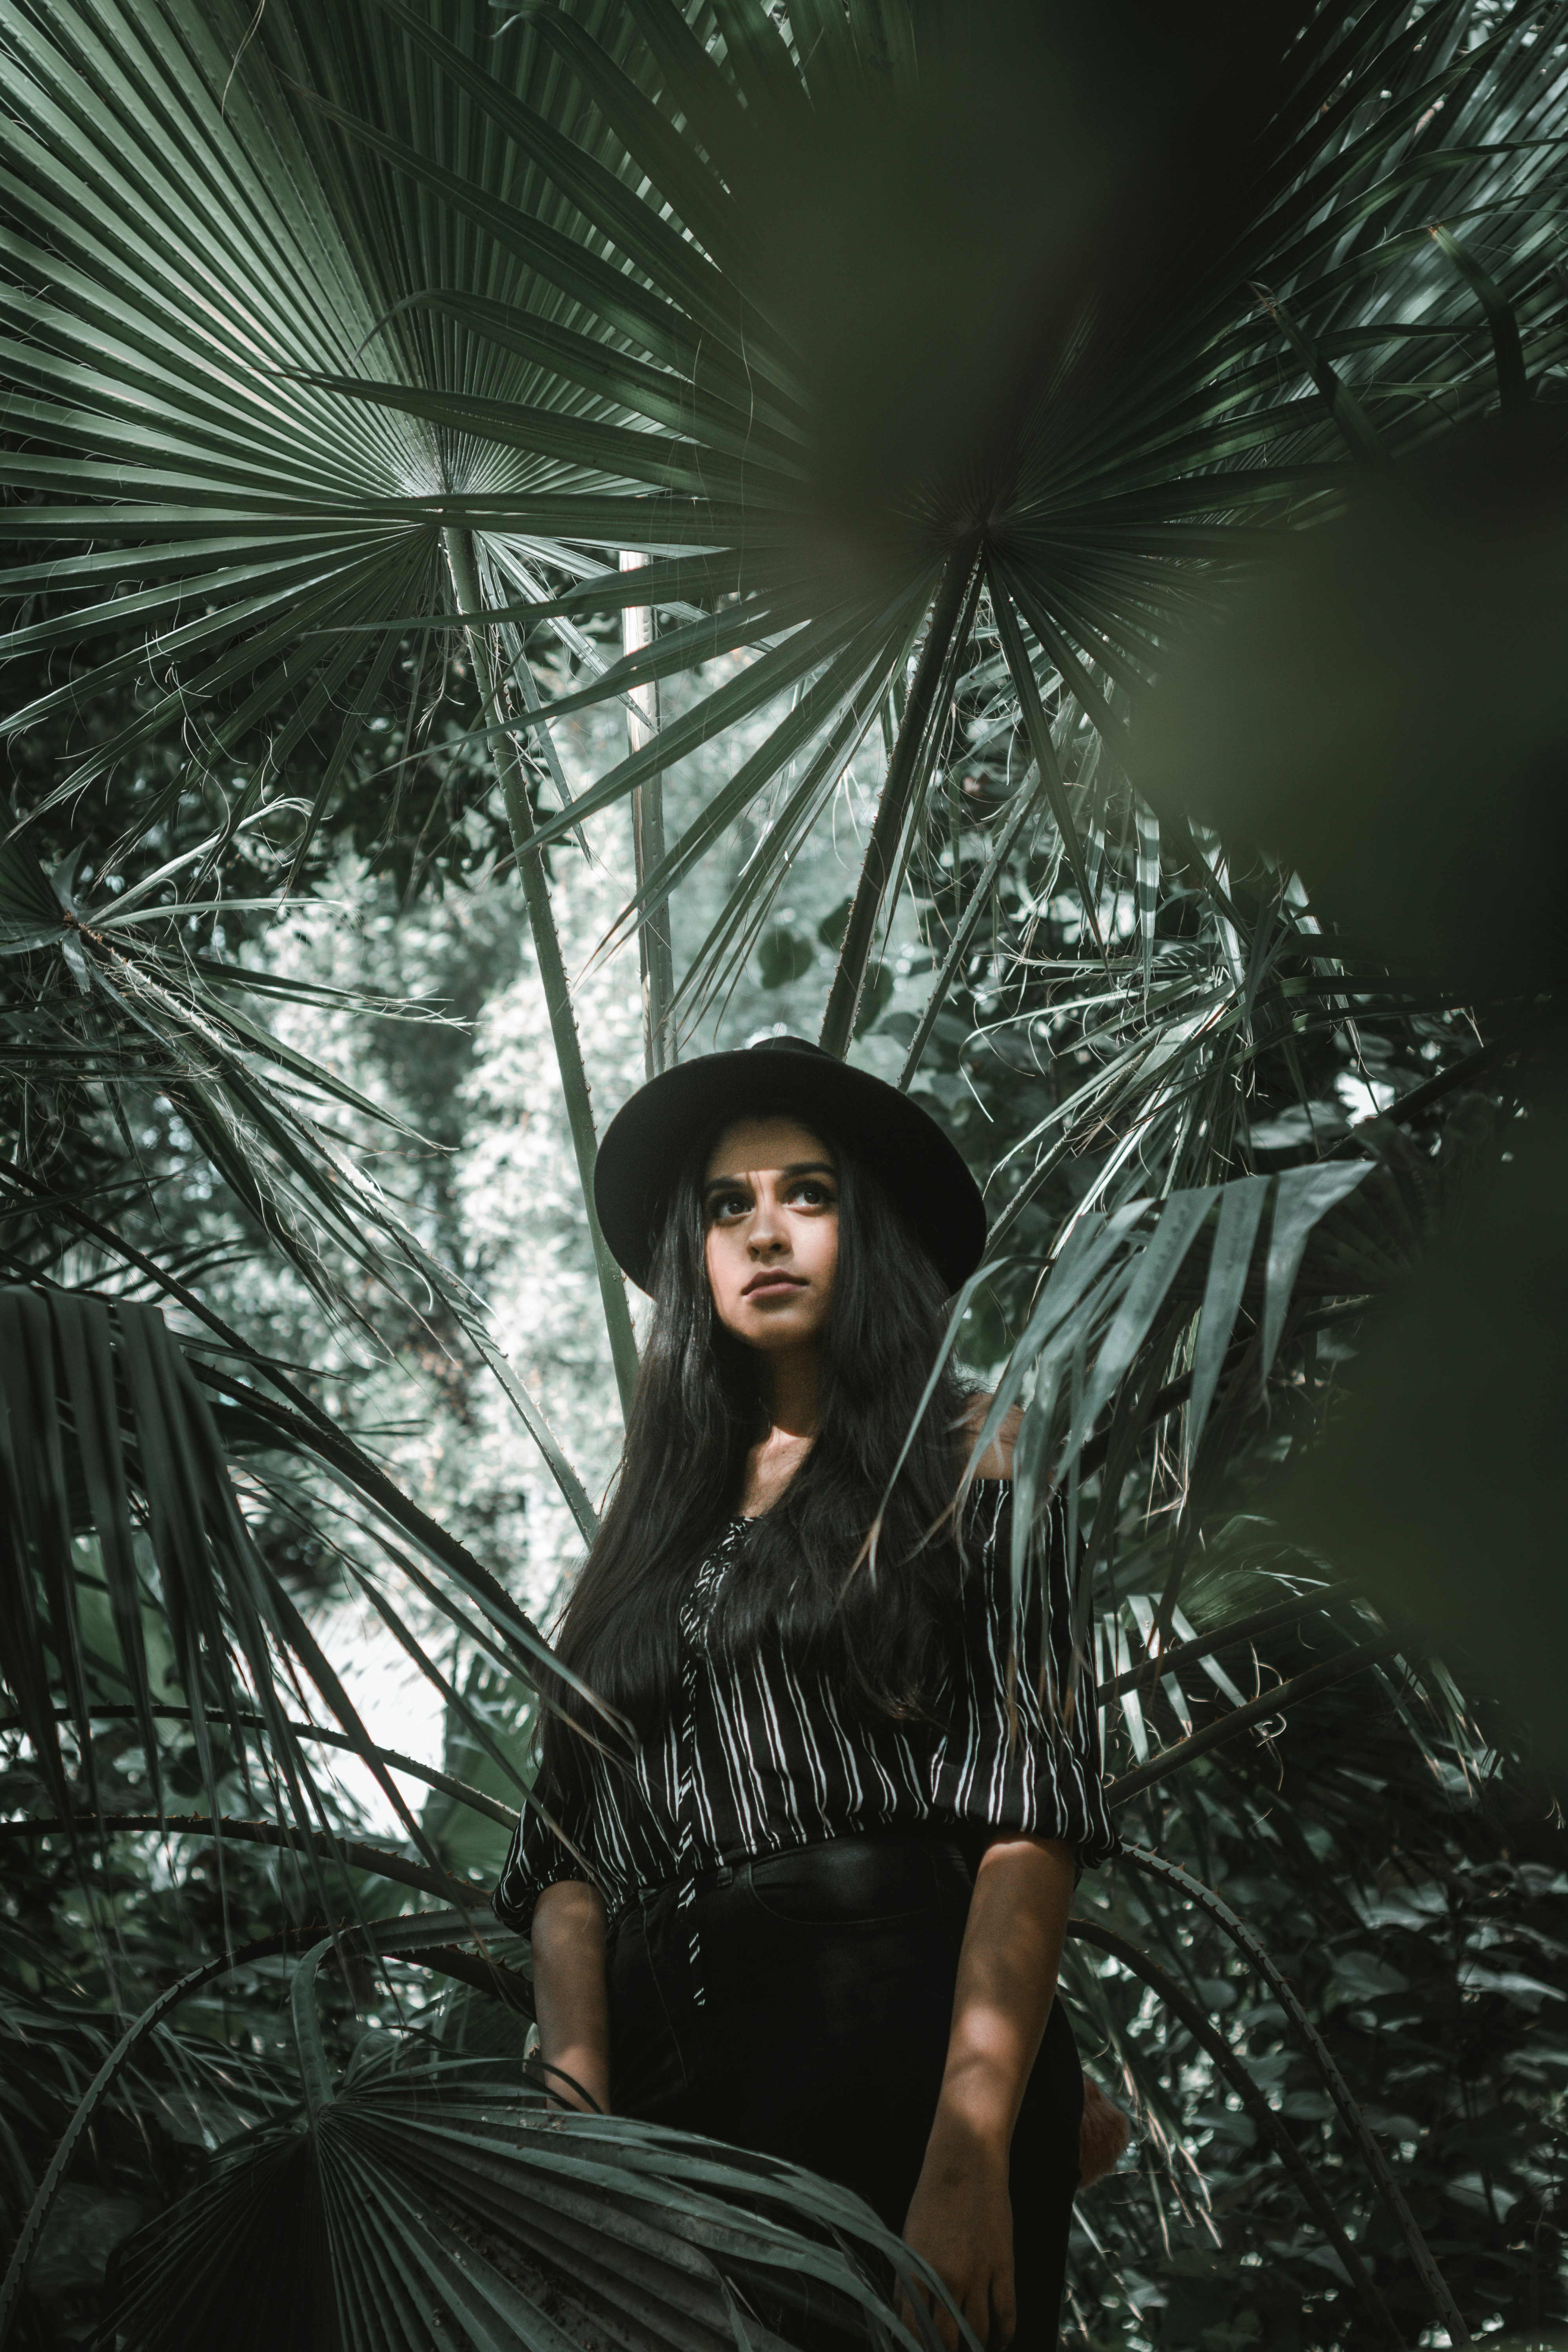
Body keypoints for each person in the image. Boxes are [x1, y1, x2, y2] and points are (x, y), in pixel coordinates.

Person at [494, 1035, 1115, 2349]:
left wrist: (969, 2152)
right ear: (694, 1250)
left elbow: (1030, 1808)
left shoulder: (977, 1455)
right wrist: (579, 2136)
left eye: (807, 1194)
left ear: (866, 1227)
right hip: (676, 2105)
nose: (765, 1232)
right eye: (730, 1205)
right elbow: (563, 1860)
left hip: (899, 2049)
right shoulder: (652, 1527)